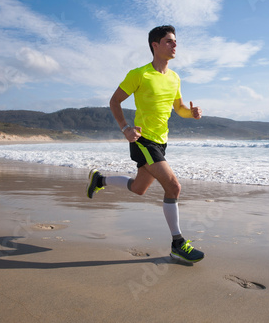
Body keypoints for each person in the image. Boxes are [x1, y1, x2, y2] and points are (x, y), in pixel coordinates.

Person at [86, 25, 204, 263]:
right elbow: (114, 101)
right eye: (169, 41)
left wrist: (191, 113)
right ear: (155, 45)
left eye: (175, 41)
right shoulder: (139, 74)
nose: (175, 45)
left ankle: (100, 180)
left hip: (161, 142)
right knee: (174, 187)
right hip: (143, 140)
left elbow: (178, 108)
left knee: (139, 188)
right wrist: (125, 128)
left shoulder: (174, 77)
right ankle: (178, 243)